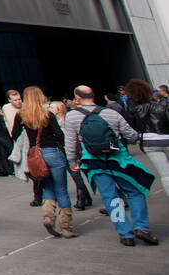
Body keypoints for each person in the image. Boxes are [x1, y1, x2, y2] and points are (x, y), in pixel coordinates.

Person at [64, 86, 157, 247]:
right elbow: (131, 135)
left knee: (110, 197)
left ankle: (125, 233)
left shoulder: (72, 117)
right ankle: (142, 227)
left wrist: (72, 162)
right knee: (135, 192)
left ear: (77, 98)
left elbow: (70, 143)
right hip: (119, 160)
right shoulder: (111, 113)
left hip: (94, 162)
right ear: (94, 95)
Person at [10, 88, 77, 238]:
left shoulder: (21, 115)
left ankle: (48, 218)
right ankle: (66, 227)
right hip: (52, 152)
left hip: (36, 155)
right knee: (62, 190)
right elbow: (60, 135)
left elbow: (14, 135)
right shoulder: (47, 114)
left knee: (47, 187)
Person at [124, 77, 169, 192]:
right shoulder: (161, 106)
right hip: (166, 138)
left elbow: (131, 129)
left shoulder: (133, 111)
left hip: (148, 142)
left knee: (165, 175)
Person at [49, 99, 92, 210]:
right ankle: (84, 197)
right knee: (76, 175)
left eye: (52, 107)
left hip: (73, 151)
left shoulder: (65, 121)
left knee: (83, 173)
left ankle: (83, 198)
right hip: (66, 151)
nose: (49, 109)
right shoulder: (53, 121)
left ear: (59, 110)